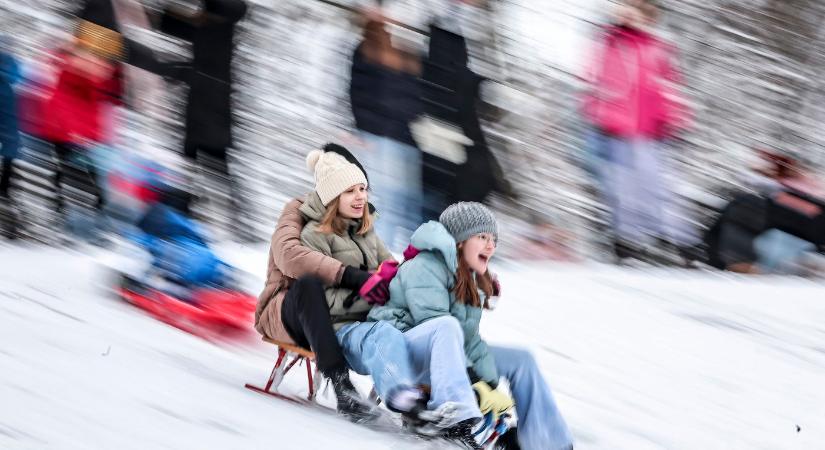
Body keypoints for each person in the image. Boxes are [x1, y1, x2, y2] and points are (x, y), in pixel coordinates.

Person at [255, 145, 474, 433]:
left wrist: (415, 267)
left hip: (360, 318)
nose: (360, 195)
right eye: (350, 190)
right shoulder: (301, 217)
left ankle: (460, 409)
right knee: (321, 295)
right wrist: (360, 281)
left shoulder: (364, 229)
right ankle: (351, 386)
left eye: (363, 188)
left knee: (440, 324)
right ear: (331, 192)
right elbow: (291, 258)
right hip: (293, 310)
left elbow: (389, 269)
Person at [369, 202, 573, 450]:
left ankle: (545, 442)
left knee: (522, 360)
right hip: (406, 353)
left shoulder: (469, 277)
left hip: (446, 355)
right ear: (459, 241)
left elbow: (470, 341)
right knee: (444, 326)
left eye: (493, 239)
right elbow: (436, 329)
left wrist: (488, 386)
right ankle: (454, 420)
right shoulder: (425, 266)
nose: (491, 245)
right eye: (482, 237)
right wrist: (476, 381)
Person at [581, 0, 695, 262]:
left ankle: (679, 241)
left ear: (649, 17)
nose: (630, 14)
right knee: (622, 186)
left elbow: (670, 87)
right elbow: (591, 79)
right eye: (625, 8)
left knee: (656, 184)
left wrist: (677, 119)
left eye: (638, 11)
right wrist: (596, 112)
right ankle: (628, 242)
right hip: (616, 127)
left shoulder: (659, 48)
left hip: (652, 130)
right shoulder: (608, 42)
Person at [349, 13, 424, 252]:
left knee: (411, 199)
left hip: (407, 138)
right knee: (391, 198)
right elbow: (356, 94)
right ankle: (381, 254)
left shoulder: (407, 57)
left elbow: (415, 98)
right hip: (381, 136)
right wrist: (364, 130)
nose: (390, 29)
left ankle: (416, 254)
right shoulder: (365, 53)